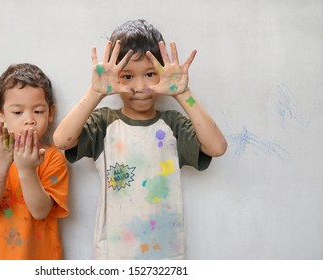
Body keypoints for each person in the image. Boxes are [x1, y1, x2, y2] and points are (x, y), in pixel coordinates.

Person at [53, 19, 227, 259]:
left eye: (150, 74)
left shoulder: (172, 125)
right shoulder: (105, 123)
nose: (140, 86)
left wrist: (183, 93)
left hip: (165, 256)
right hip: (112, 256)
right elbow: (62, 140)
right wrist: (95, 92)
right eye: (127, 76)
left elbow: (216, 147)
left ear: (162, 73)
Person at [0, 63, 69, 259]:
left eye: (38, 111)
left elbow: (41, 212)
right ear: (0, 113)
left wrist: (27, 170)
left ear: (51, 113)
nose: (29, 120)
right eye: (17, 112)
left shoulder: (51, 157)